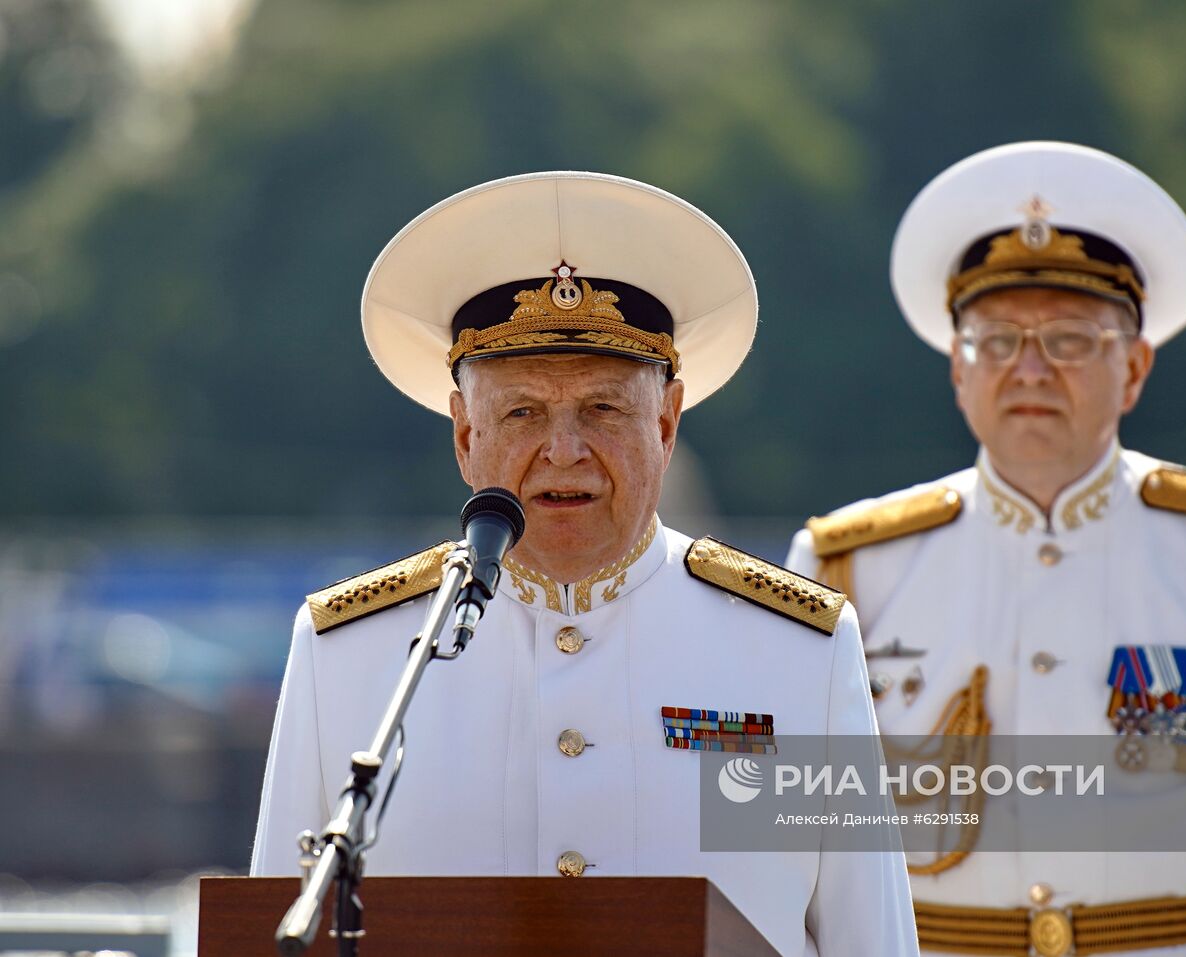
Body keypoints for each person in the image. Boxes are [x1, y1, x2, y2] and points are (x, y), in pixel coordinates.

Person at [251, 171, 918, 957]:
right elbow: (277, 937)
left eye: (603, 408)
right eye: (522, 412)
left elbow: (870, 941)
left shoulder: (797, 648)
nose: (563, 451)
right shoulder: (349, 654)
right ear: (465, 434)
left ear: (666, 421)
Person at [786, 142, 1186, 956]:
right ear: (957, 373)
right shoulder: (844, 567)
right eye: (996, 340)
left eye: (1069, 339)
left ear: (1135, 367)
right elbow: (793, 866)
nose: (1029, 368)